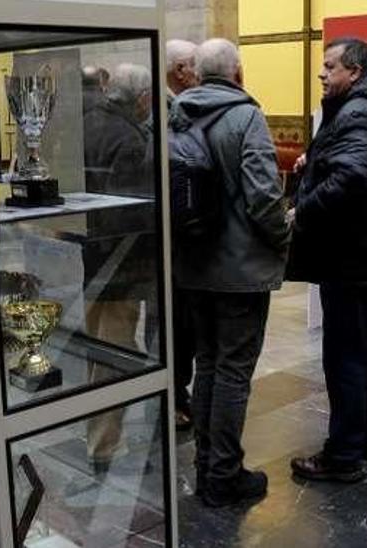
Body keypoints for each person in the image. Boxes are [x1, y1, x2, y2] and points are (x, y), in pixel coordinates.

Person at [287, 37, 367, 483]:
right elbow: (354, 164)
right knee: (366, 352)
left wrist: (306, 207)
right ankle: (366, 441)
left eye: (329, 66)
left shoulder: (358, 110)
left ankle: (342, 455)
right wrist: (315, 160)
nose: (321, 73)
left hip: (351, 257)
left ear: (354, 72)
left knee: (344, 358)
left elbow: (357, 175)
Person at [173, 38, 290, 507]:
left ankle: (205, 466)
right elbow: (264, 196)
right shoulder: (246, 117)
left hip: (192, 265)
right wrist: (283, 237)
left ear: (197, 74)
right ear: (238, 73)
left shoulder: (175, 113)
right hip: (239, 271)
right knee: (234, 372)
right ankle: (224, 475)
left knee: (207, 363)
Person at [82, 63, 158, 472]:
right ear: (143, 98)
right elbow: (125, 216)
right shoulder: (129, 139)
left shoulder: (88, 122)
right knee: (114, 356)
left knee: (99, 353)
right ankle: (105, 447)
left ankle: (98, 438)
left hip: (90, 260)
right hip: (119, 267)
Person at [165, 38, 200, 431]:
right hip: (172, 238)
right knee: (173, 325)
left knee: (183, 325)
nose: (198, 73)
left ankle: (178, 390)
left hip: (183, 241)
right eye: (194, 65)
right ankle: (173, 394)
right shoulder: (169, 110)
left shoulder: (183, 106)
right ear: (179, 70)